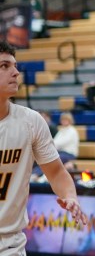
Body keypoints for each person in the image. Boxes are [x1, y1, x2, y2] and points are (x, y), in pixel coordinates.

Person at [0, 41, 87, 254]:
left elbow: (56, 172)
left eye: (15, 66)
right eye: (4, 66)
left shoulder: (31, 121)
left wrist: (70, 196)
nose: (16, 72)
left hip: (10, 246)